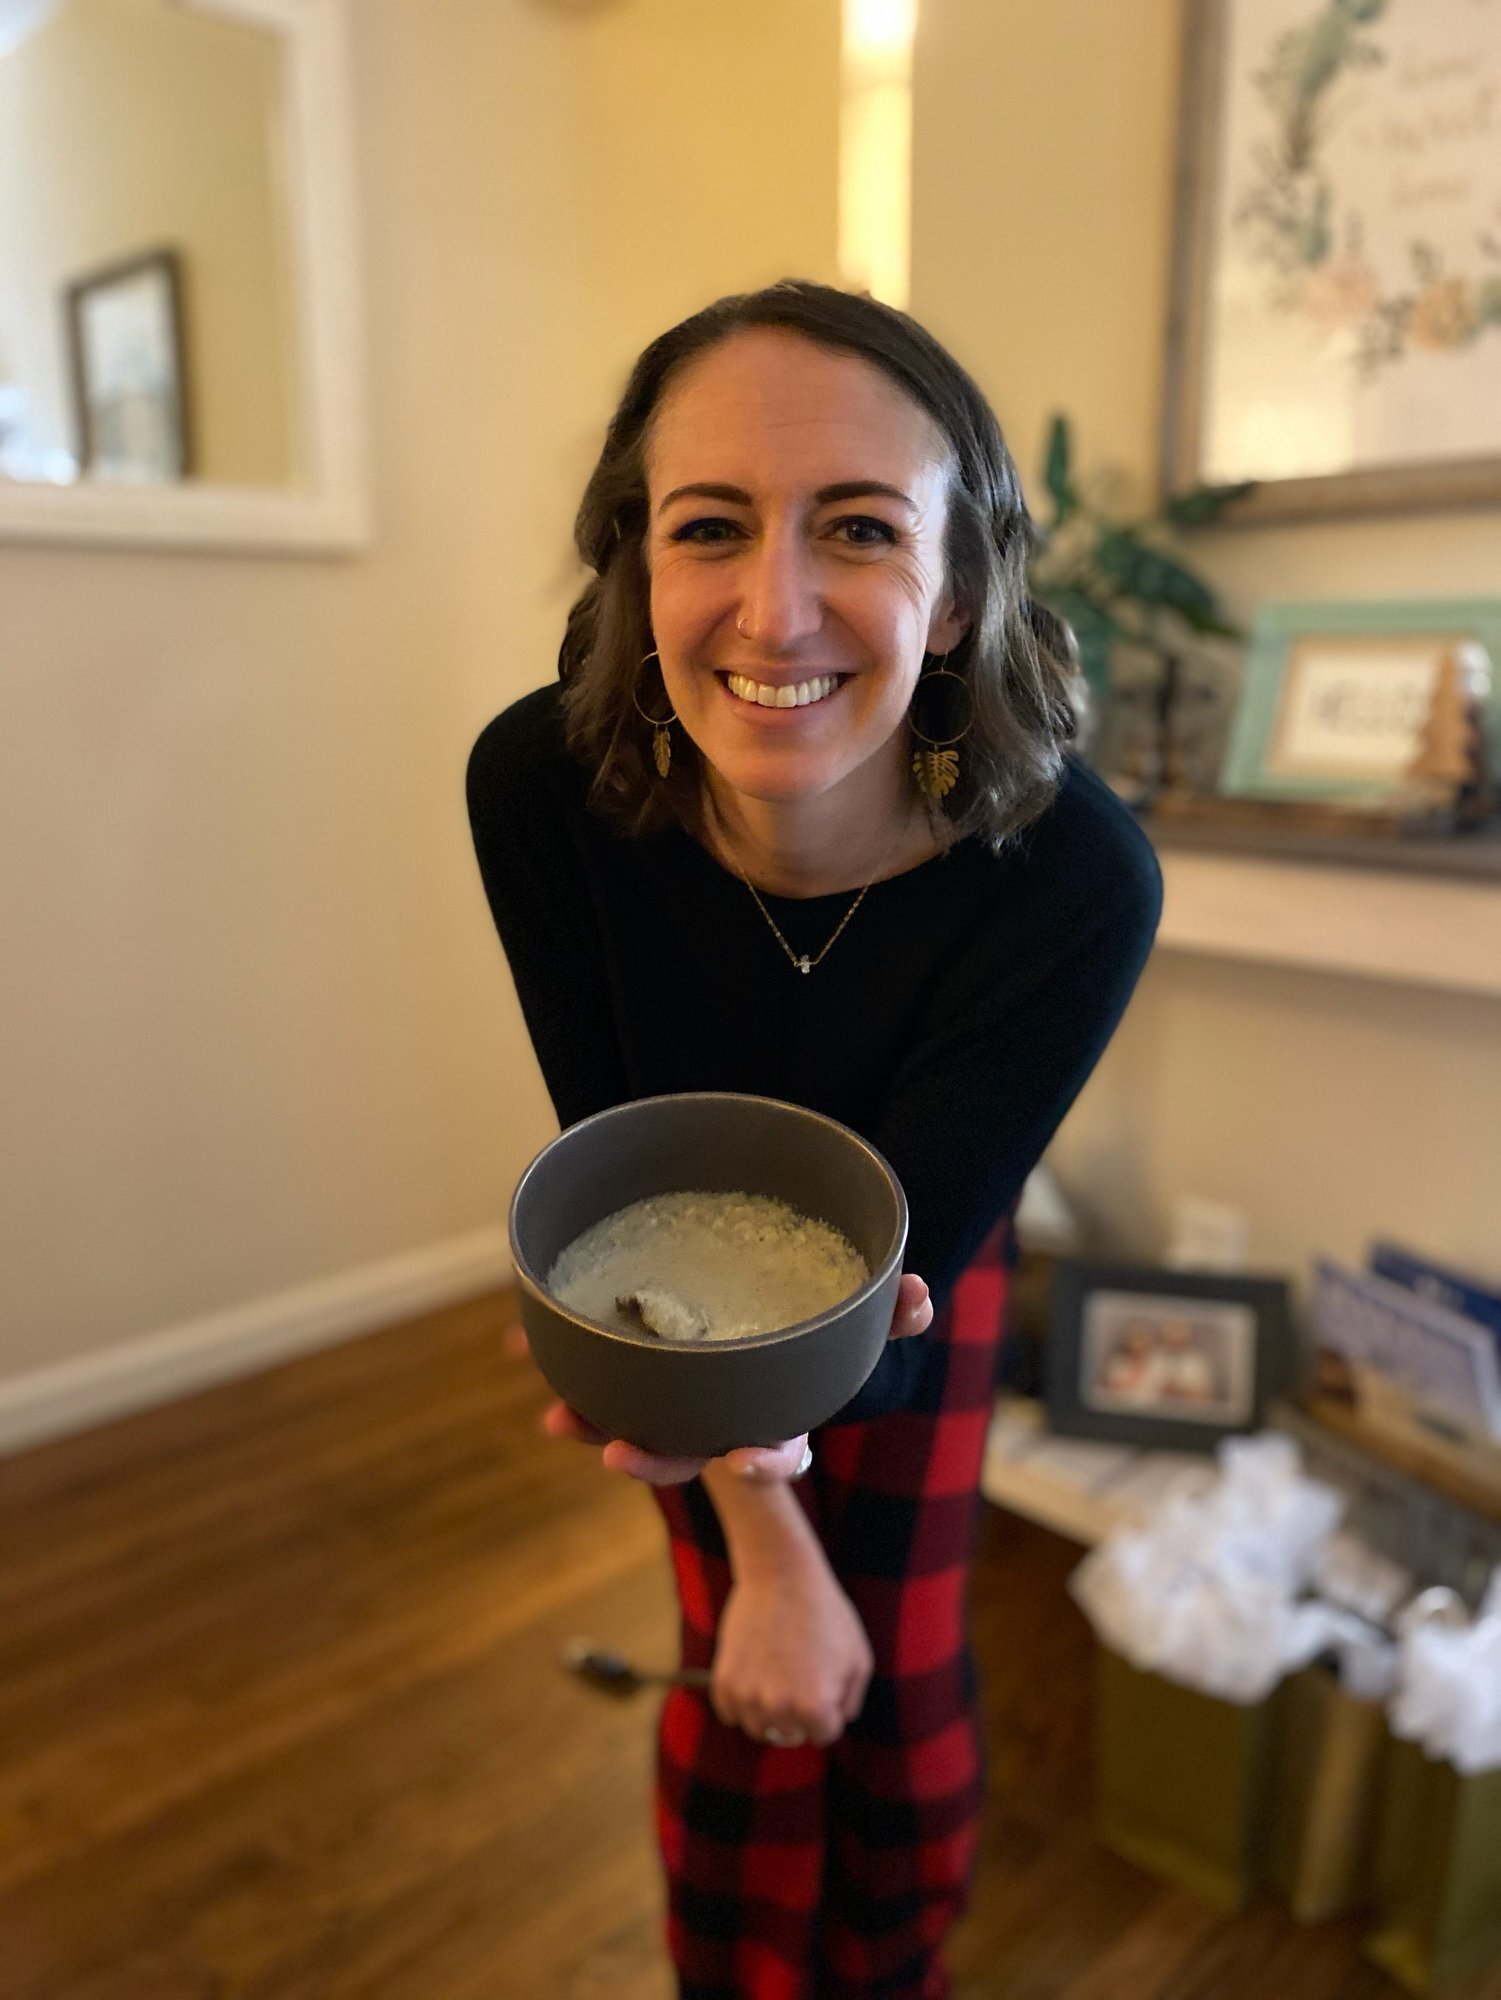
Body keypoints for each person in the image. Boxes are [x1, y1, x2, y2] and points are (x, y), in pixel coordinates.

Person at [467, 280, 1161, 2000]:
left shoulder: (1073, 878)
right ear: (638, 565)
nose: (773, 607)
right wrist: (764, 1543)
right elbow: (622, 1196)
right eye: (711, 525)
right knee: (749, 1656)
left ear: (961, 588)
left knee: (900, 1674)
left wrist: (810, 1555)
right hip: (675, 1294)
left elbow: (887, 1292)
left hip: (922, 1265)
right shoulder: (536, 795)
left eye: (857, 525)